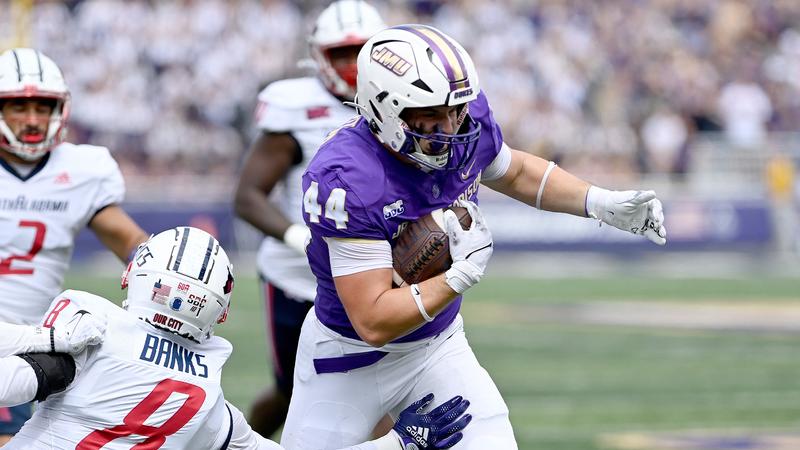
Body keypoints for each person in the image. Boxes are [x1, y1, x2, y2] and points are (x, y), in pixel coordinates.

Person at [280, 24, 667, 449]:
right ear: (385, 111)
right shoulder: (349, 175)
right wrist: (458, 276)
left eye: (455, 110)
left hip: (435, 348)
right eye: (430, 114)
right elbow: (372, 321)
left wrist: (599, 202)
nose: (450, 126)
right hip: (344, 359)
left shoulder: (465, 117)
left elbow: (513, 172)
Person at [1, 227, 472, 450]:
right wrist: (399, 444)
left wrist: (37, 336)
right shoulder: (206, 399)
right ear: (218, 312)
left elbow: (15, 384)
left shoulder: (89, 328)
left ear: (136, 275)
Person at [233, 0, 387, 437]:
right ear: (317, 57)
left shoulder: (407, 102)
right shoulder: (296, 107)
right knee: (289, 391)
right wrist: (299, 237)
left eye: (362, 52)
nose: (353, 65)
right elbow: (247, 196)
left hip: (371, 272)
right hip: (296, 276)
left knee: (382, 390)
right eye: (342, 53)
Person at [0, 47, 149, 444]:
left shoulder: (83, 169)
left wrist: (159, 271)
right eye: (19, 107)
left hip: (33, 343)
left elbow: (130, 241)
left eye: (43, 106)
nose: (32, 119)